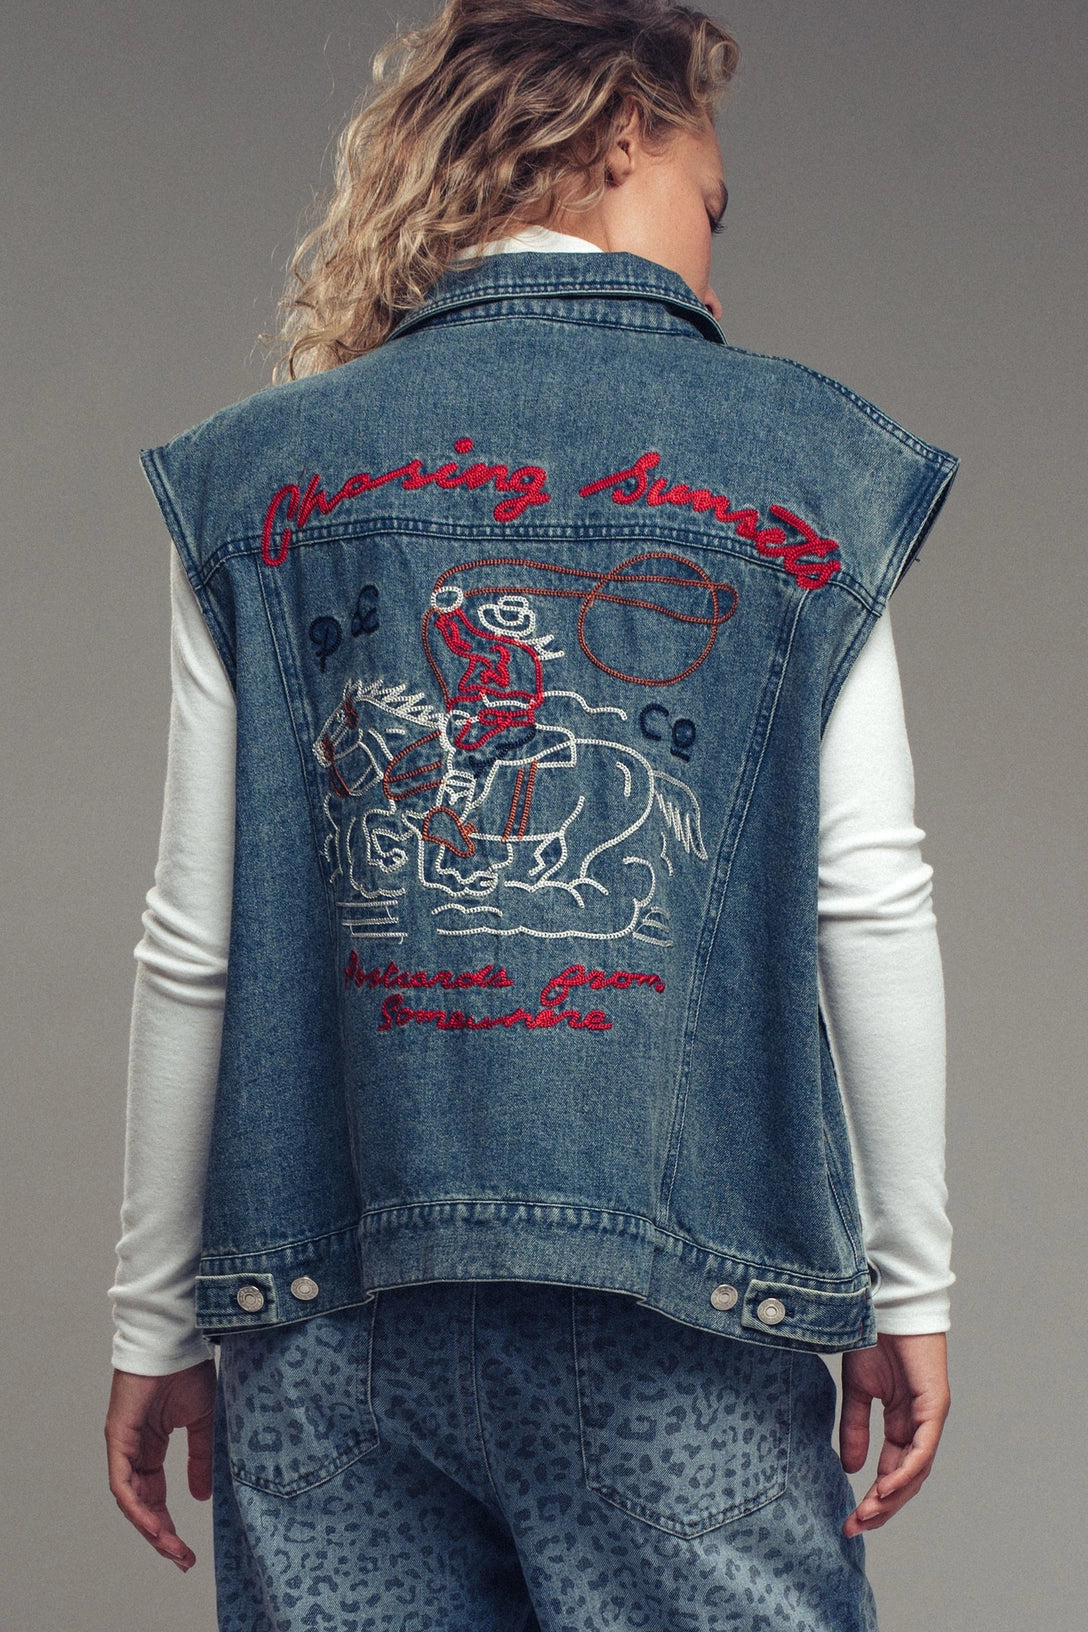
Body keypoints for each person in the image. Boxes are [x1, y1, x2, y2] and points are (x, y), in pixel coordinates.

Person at [105, 3, 956, 1628]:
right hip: (677, 1313)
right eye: (714, 208)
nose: (716, 273)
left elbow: (192, 940)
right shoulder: (797, 460)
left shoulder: (259, 473)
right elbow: (869, 895)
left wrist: (157, 1317)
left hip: (330, 1324)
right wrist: (908, 1284)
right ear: (625, 131)